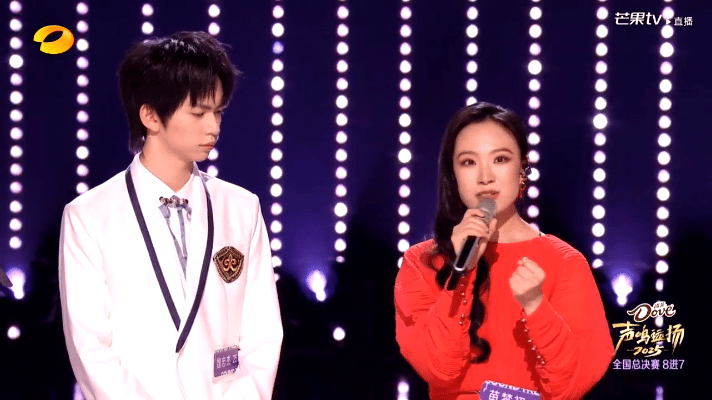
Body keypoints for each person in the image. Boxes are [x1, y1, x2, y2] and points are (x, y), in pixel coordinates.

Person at [59, 31, 283, 399]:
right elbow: (90, 349)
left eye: (218, 112)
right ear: (150, 115)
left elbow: (262, 334)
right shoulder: (88, 216)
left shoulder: (242, 207)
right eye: (198, 113)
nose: (213, 127)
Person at [394, 102, 613, 400]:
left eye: (500, 159)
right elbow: (437, 369)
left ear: (522, 168)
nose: (485, 176)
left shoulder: (565, 263)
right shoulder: (423, 263)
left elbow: (572, 384)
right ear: (453, 174)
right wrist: (462, 273)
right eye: (468, 162)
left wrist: (536, 305)